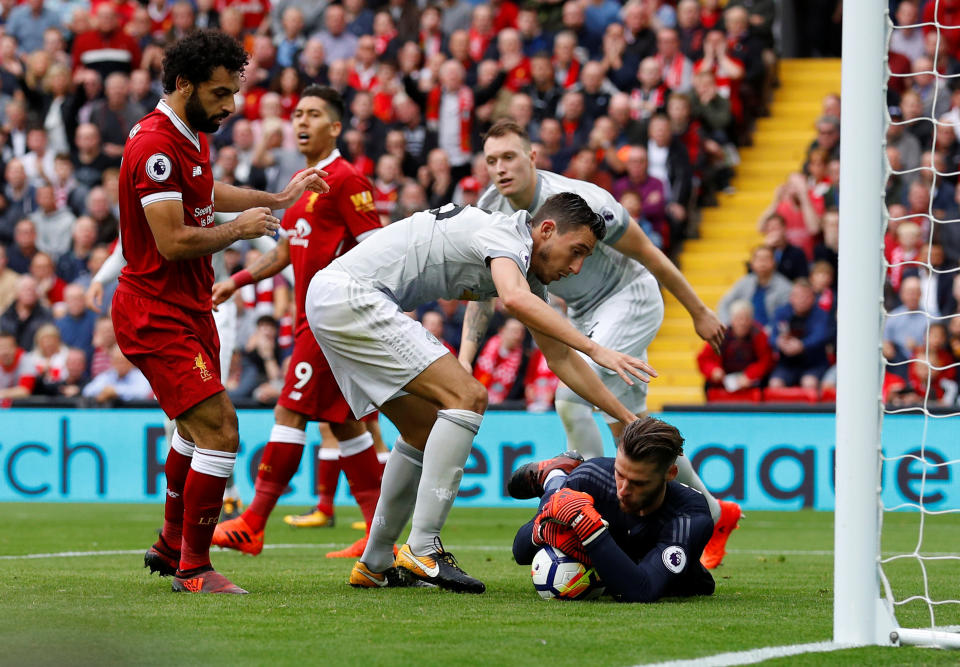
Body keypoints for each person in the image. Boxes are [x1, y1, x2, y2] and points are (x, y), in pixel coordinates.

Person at [306, 192, 654, 593]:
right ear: (546, 230)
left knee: (421, 430)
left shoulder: (521, 267)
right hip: (352, 295)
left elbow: (562, 360)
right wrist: (595, 346)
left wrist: (626, 419)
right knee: (468, 397)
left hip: (334, 298)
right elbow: (512, 297)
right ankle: (423, 548)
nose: (575, 268)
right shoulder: (506, 235)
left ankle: (376, 561)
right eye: (576, 252)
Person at [470, 120, 740, 569]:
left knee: (570, 399)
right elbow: (484, 290)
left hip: (628, 299)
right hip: (581, 314)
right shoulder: (490, 210)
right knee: (631, 428)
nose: (501, 168)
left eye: (510, 157)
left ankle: (596, 513)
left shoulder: (590, 204)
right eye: (492, 160)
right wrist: (465, 356)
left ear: (533, 157)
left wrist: (698, 311)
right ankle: (713, 511)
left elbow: (650, 255)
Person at [114, 30, 326, 595]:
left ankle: (169, 543)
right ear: (184, 85)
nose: (229, 106)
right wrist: (240, 231)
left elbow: (207, 191)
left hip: (187, 305)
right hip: (156, 311)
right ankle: (195, 567)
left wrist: (273, 200)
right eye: (218, 93)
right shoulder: (155, 147)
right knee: (221, 430)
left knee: (192, 430)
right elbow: (172, 241)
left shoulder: (187, 133)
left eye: (233, 91)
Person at [211, 86, 387, 560]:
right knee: (346, 425)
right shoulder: (304, 181)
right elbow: (290, 250)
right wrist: (239, 280)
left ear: (335, 127)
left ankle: (252, 523)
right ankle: (378, 533)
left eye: (313, 114)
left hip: (332, 319)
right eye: (298, 113)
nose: (302, 121)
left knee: (288, 412)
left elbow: (378, 250)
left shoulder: (348, 180)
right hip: (313, 319)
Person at [511, 416, 715, 602]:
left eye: (638, 483)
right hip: (609, 556)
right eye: (619, 474)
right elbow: (521, 552)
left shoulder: (690, 514)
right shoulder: (591, 477)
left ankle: (555, 477)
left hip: (673, 580)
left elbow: (642, 590)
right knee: (555, 505)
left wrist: (587, 527)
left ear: (670, 473)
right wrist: (542, 529)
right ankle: (555, 478)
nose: (623, 490)